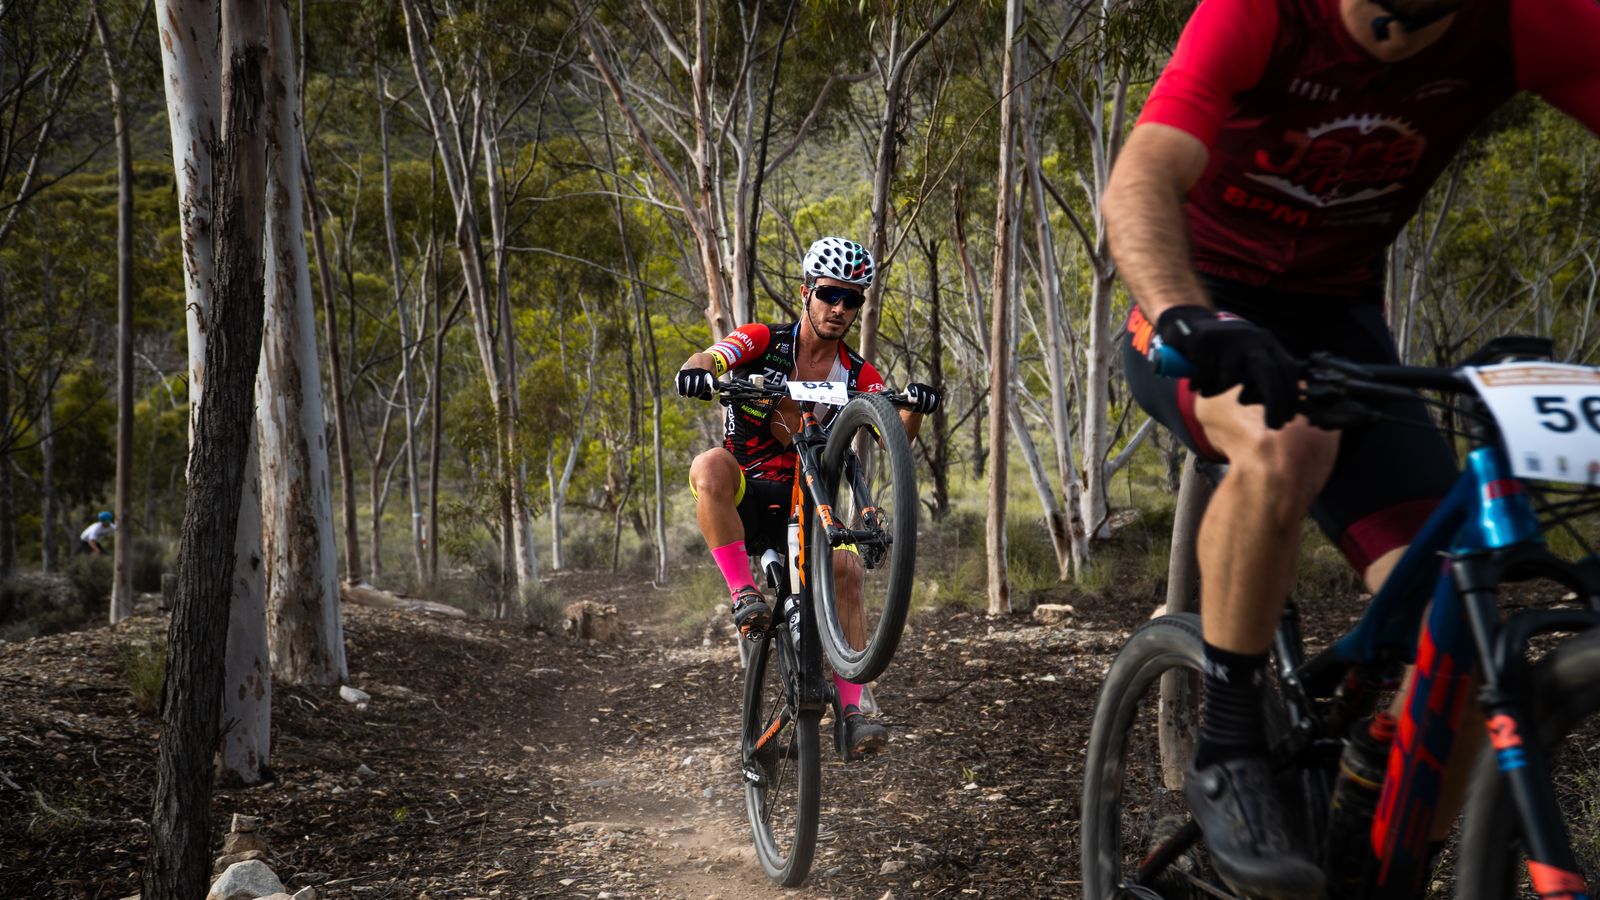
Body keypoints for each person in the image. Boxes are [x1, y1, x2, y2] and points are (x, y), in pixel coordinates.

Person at [1104, 0, 1600, 895]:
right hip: (1197, 301)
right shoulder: (1260, 13)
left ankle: (1376, 842)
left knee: (1462, 626)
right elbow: (1140, 179)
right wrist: (1186, 312)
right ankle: (1228, 750)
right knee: (1285, 445)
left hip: (1338, 321)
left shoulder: (1521, 22)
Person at [676, 237, 941, 758]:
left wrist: (915, 407)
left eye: (852, 299)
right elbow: (711, 355)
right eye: (829, 295)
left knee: (847, 570)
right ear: (806, 294)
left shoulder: (858, 373)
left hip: (808, 504)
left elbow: (890, 435)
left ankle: (854, 713)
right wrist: (698, 370)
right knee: (708, 465)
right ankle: (744, 594)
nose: (839, 308)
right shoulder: (763, 339)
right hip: (746, 495)